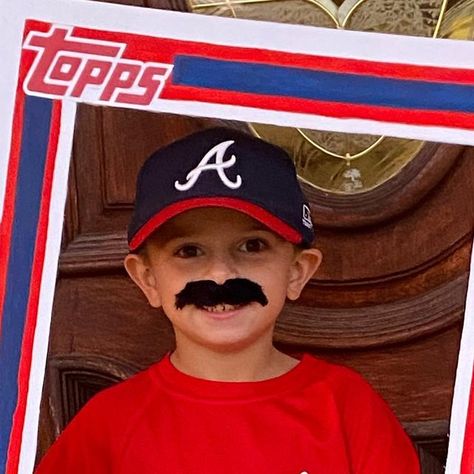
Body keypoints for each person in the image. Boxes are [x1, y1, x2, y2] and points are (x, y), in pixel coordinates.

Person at [36, 127, 420, 473]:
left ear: (297, 271)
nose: (220, 274)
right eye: (189, 251)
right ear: (148, 278)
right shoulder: (107, 426)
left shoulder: (349, 410)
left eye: (252, 246)